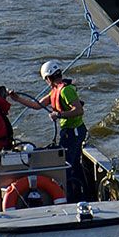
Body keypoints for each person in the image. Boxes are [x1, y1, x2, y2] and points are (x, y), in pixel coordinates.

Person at [13, 61, 87, 202]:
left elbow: (79, 110)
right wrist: (18, 99)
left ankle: (72, 197)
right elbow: (37, 105)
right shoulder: (55, 90)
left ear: (48, 78)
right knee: (74, 163)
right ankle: (80, 194)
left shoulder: (66, 90)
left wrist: (58, 115)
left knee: (68, 164)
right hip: (69, 131)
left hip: (74, 132)